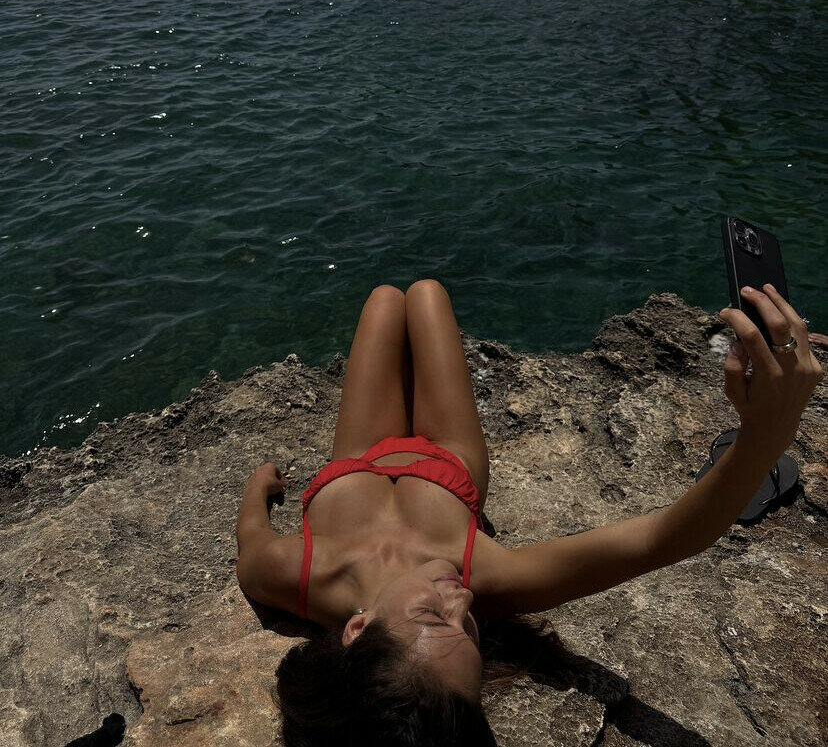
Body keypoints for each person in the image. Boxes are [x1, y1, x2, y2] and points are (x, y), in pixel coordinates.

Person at [235, 280, 822, 744]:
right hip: (445, 455)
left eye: (437, 618)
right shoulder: (484, 578)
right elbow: (662, 540)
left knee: (387, 300)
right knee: (428, 294)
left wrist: (257, 490)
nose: (462, 603)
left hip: (358, 455)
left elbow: (251, 539)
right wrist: (766, 435)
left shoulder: (288, 574)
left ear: (358, 629)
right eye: (472, 632)